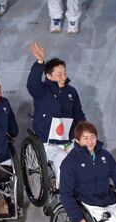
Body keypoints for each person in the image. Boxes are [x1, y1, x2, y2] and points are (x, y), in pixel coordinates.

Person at [27, 41, 86, 188]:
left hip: (68, 140)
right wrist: (40, 62)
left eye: (64, 73)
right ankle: (64, 195)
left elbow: (78, 115)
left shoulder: (71, 92)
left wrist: (83, 134)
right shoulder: (41, 91)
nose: (63, 77)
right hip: (49, 142)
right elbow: (32, 83)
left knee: (85, 159)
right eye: (59, 74)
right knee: (63, 161)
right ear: (48, 75)